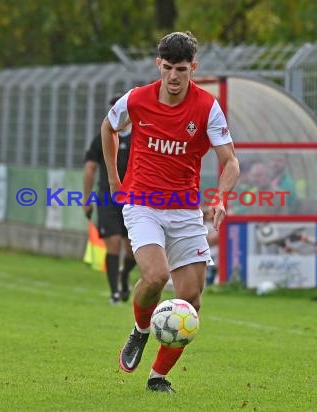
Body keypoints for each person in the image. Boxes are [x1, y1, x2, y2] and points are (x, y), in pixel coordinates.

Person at [100, 31, 239, 393]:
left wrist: (221, 197)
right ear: (158, 65)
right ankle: (141, 330)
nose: (174, 77)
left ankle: (157, 377)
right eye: (168, 68)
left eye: (182, 69)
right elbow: (108, 127)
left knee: (191, 300)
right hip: (144, 203)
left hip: (185, 210)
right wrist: (115, 179)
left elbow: (230, 162)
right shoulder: (137, 100)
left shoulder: (207, 107)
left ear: (194, 67)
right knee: (157, 275)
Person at [83, 96, 136, 304]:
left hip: (134, 198)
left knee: (132, 248)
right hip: (108, 197)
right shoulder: (102, 137)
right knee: (113, 243)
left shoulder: (140, 138)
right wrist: (86, 199)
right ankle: (115, 292)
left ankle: (124, 275)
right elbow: (90, 168)